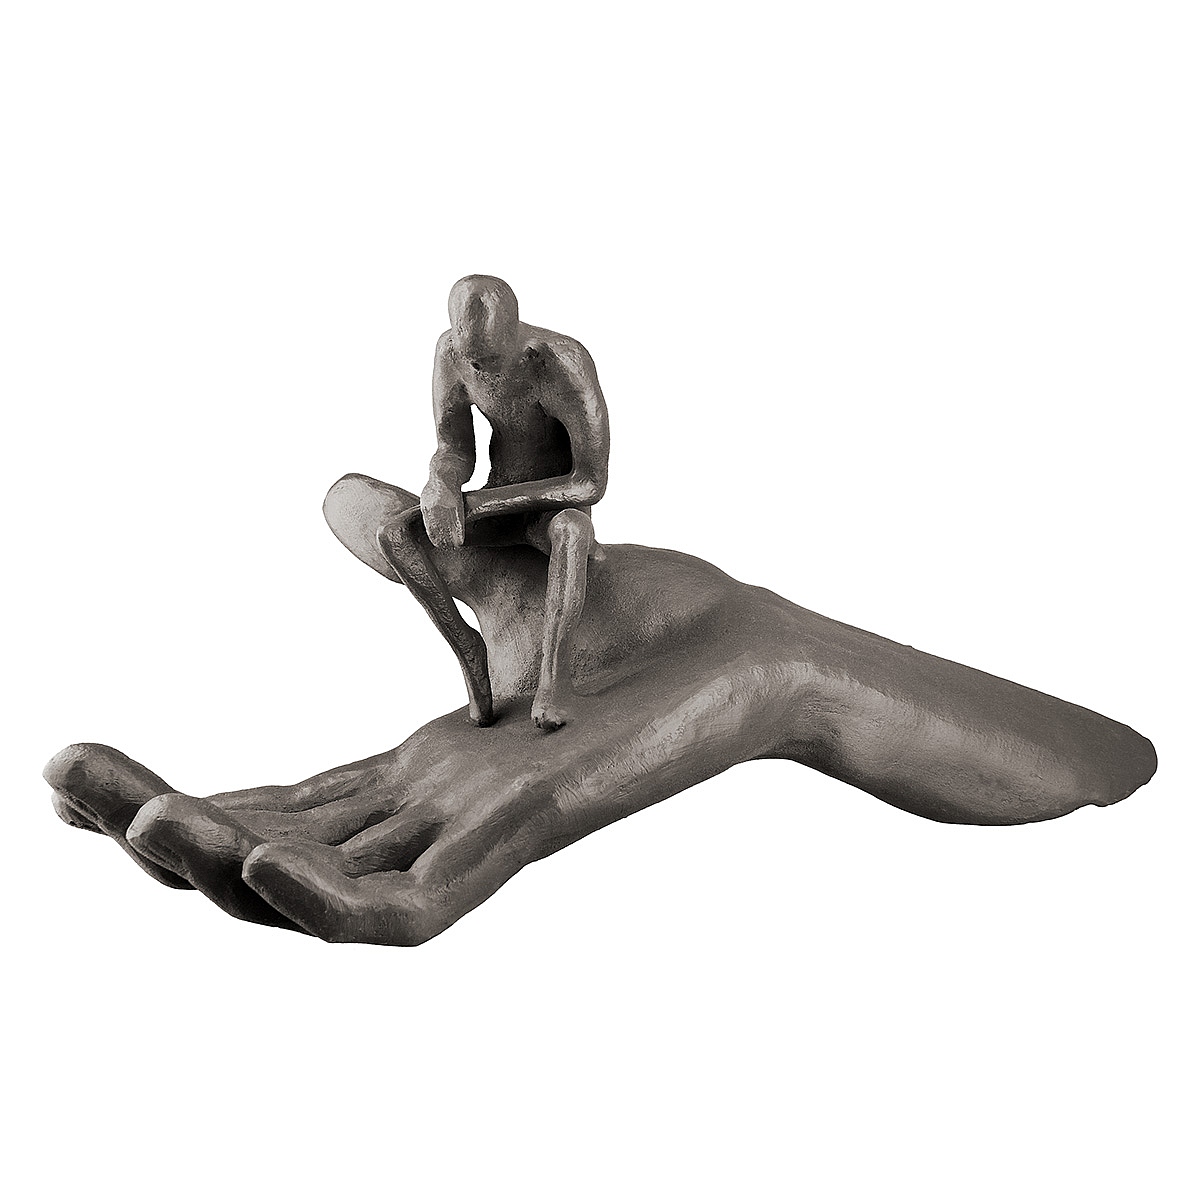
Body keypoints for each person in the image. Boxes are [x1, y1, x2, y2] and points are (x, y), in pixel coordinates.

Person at [378, 275, 610, 730]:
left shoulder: (562, 361)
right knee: (396, 534)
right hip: (496, 500)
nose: (483, 372)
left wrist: (484, 504)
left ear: (516, 337)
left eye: (493, 360)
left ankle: (554, 682)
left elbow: (590, 482)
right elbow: (454, 448)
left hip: (551, 509)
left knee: (572, 531)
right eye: (474, 362)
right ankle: (468, 649)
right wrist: (441, 485)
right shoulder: (451, 353)